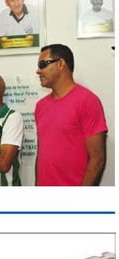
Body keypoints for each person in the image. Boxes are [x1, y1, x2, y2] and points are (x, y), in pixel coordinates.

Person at [34, 44, 107, 187]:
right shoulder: (40, 106)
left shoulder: (87, 101)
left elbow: (97, 159)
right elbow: (41, 153)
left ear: (61, 64)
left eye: (43, 64)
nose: (38, 71)